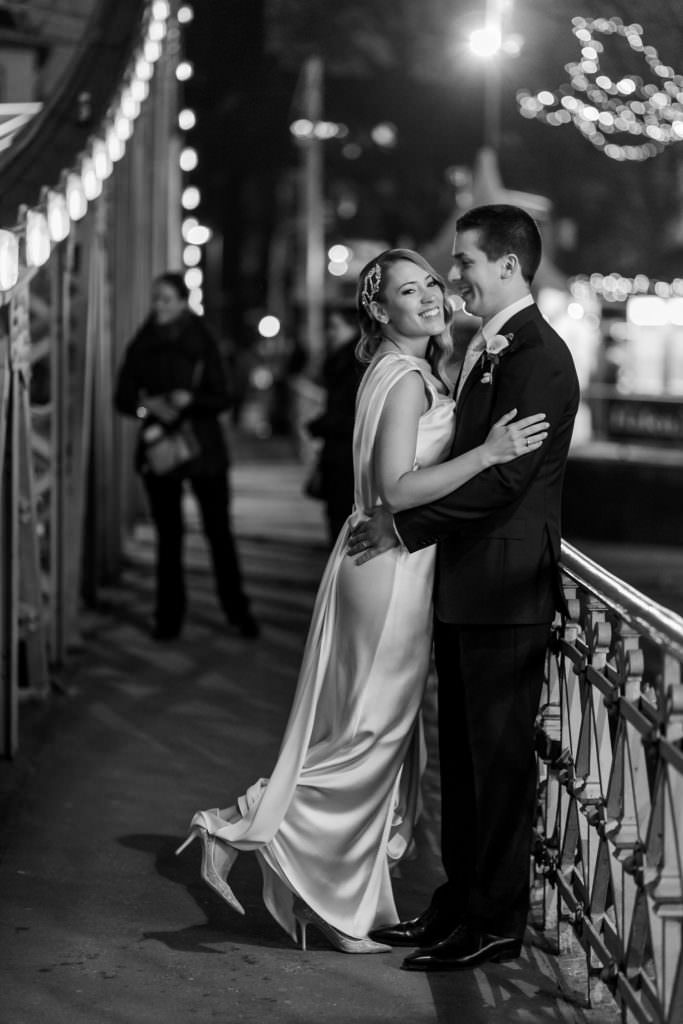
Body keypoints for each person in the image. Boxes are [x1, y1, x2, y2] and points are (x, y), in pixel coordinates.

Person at [174, 248, 548, 954]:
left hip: (378, 561)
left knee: (370, 735)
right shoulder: (405, 377)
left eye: (432, 284)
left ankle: (341, 899)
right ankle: (245, 827)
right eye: (411, 291)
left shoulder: (394, 369)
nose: (432, 297)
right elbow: (398, 488)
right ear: (380, 310)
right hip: (389, 568)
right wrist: (488, 452)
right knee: (368, 738)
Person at [348, 205, 581, 971]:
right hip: (465, 586)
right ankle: (458, 902)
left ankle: (494, 921)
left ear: (508, 265)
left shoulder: (538, 358)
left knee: (500, 765)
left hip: (506, 589)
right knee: (466, 763)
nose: (454, 278)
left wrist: (404, 529)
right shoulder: (489, 350)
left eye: (465, 263)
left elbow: (506, 480)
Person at [114, 272, 259, 640]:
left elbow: (224, 395)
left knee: (218, 532)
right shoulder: (142, 343)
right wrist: (150, 408)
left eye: (165, 299)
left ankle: (237, 611)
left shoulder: (203, 340)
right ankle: (168, 618)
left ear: (182, 302)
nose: (157, 306)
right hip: (162, 449)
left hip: (203, 447)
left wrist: (190, 401)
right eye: (155, 298)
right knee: (169, 536)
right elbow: (123, 397)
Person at [306, 306, 364, 545]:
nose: (330, 332)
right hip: (340, 452)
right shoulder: (343, 358)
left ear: (353, 327)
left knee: (341, 519)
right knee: (338, 517)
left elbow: (352, 413)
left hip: (346, 455)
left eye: (335, 326)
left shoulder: (353, 361)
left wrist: (321, 424)